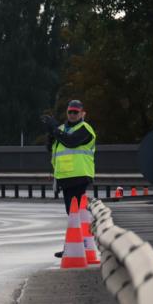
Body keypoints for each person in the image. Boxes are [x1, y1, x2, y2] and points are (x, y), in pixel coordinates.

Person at [41, 99, 96, 258]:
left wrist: (54, 130)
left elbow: (70, 141)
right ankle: (73, 247)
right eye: (70, 112)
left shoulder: (85, 129)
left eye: (75, 112)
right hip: (65, 178)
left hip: (79, 176)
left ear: (82, 113)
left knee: (77, 214)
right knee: (72, 214)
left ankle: (79, 247)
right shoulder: (61, 129)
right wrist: (50, 134)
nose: (72, 115)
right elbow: (51, 148)